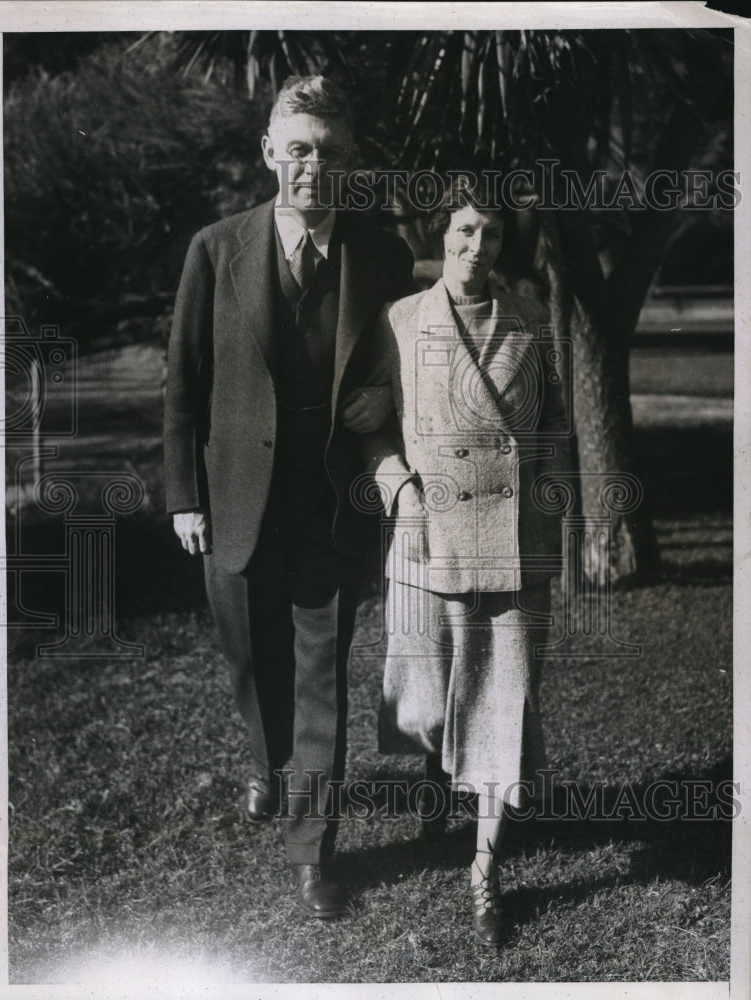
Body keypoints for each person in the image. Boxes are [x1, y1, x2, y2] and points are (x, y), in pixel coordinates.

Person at [164, 75, 413, 919]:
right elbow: (182, 385)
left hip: (332, 506)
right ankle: (269, 769)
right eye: (299, 147)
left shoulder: (381, 254)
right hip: (233, 499)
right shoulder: (215, 248)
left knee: (320, 680)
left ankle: (312, 850)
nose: (314, 165)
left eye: (331, 151)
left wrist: (389, 417)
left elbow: (399, 367)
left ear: (352, 161)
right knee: (252, 664)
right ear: (269, 151)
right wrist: (181, 497)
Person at [368, 178, 570, 945]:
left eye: (489, 233)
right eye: (462, 229)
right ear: (439, 232)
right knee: (423, 697)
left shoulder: (531, 319)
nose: (474, 247)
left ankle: (484, 870)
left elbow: (552, 426)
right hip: (428, 530)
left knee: (499, 699)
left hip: (513, 537)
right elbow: (371, 427)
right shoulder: (398, 321)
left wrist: (556, 511)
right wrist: (399, 491)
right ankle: (435, 777)